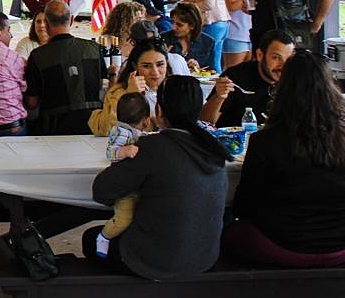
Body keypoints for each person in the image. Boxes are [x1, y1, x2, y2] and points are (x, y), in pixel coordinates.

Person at [85, 75, 231, 279]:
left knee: (91, 238)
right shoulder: (214, 150)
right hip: (204, 259)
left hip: (154, 261)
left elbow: (102, 191)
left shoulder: (152, 147)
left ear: (159, 111)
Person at [225, 52, 345, 267]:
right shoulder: (341, 139)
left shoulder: (265, 141)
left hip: (281, 245)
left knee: (228, 231)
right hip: (339, 248)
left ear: (283, 89)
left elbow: (244, 206)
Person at [24, 0, 104, 135]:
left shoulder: (38, 56)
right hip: (92, 127)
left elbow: (32, 102)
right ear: (71, 20)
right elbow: (103, 86)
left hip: (53, 130)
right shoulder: (94, 49)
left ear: (46, 23)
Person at [95, 92, 153, 258]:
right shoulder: (122, 132)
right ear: (146, 120)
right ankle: (104, 237)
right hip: (125, 186)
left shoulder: (136, 133)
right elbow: (110, 152)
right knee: (124, 218)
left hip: (136, 183)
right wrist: (124, 151)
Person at [201, 29, 294, 128]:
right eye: (276, 58)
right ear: (260, 55)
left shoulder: (294, 80)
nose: (283, 66)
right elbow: (205, 121)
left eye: (288, 59)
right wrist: (219, 97)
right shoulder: (235, 77)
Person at [88, 38, 170, 136]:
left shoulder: (176, 88)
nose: (155, 72)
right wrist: (129, 97)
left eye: (160, 64)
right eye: (146, 66)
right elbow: (105, 129)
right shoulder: (120, 91)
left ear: (167, 63)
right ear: (135, 66)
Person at [161, 3, 215, 72]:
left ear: (192, 26)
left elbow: (212, 71)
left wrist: (198, 69)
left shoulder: (208, 42)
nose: (173, 27)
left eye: (179, 25)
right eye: (172, 22)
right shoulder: (163, 39)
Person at [223, 0, 253, 71]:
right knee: (232, 72)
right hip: (235, 35)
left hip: (249, 35)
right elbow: (231, 5)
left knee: (247, 72)